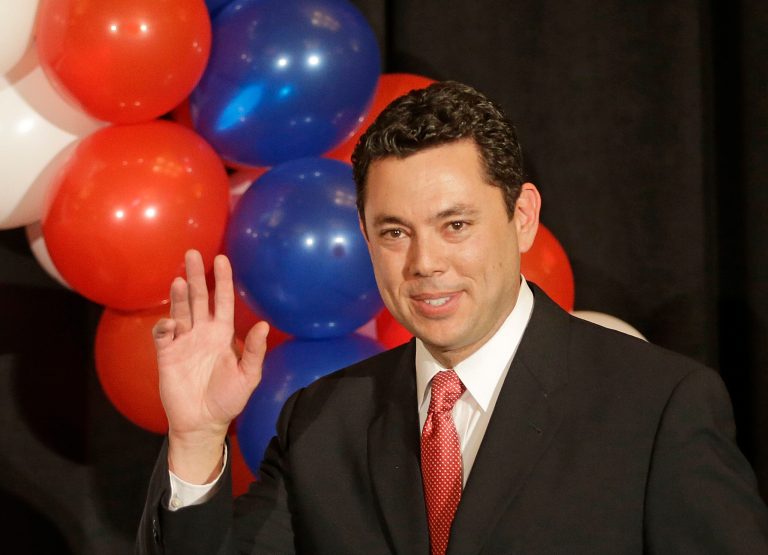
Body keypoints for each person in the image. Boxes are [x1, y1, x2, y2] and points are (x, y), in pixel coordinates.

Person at [137, 81, 768, 554]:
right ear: (364, 236)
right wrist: (197, 439)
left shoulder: (657, 407)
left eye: (456, 225)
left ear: (523, 217)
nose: (425, 263)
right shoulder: (322, 420)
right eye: (394, 232)